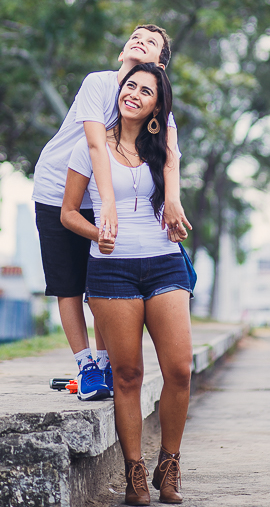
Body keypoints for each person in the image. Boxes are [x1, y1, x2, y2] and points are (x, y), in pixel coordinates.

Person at [32, 25, 192, 401]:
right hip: (59, 188)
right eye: (135, 36)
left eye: (151, 42)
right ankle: (86, 365)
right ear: (122, 53)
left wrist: (173, 200)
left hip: (103, 194)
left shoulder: (156, 103)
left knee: (101, 282)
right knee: (68, 284)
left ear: (159, 67)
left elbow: (170, 157)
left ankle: (104, 363)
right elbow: (94, 143)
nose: (140, 41)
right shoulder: (98, 83)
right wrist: (105, 202)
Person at [61, 62, 193, 505]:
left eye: (145, 91)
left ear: (158, 106)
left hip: (165, 265)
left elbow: (171, 195)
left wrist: (174, 218)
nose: (133, 93)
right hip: (111, 270)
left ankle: (169, 464)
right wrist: (98, 232)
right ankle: (134, 470)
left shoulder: (164, 150)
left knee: (179, 369)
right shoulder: (89, 147)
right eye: (129, 86)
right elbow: (68, 214)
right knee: (129, 374)